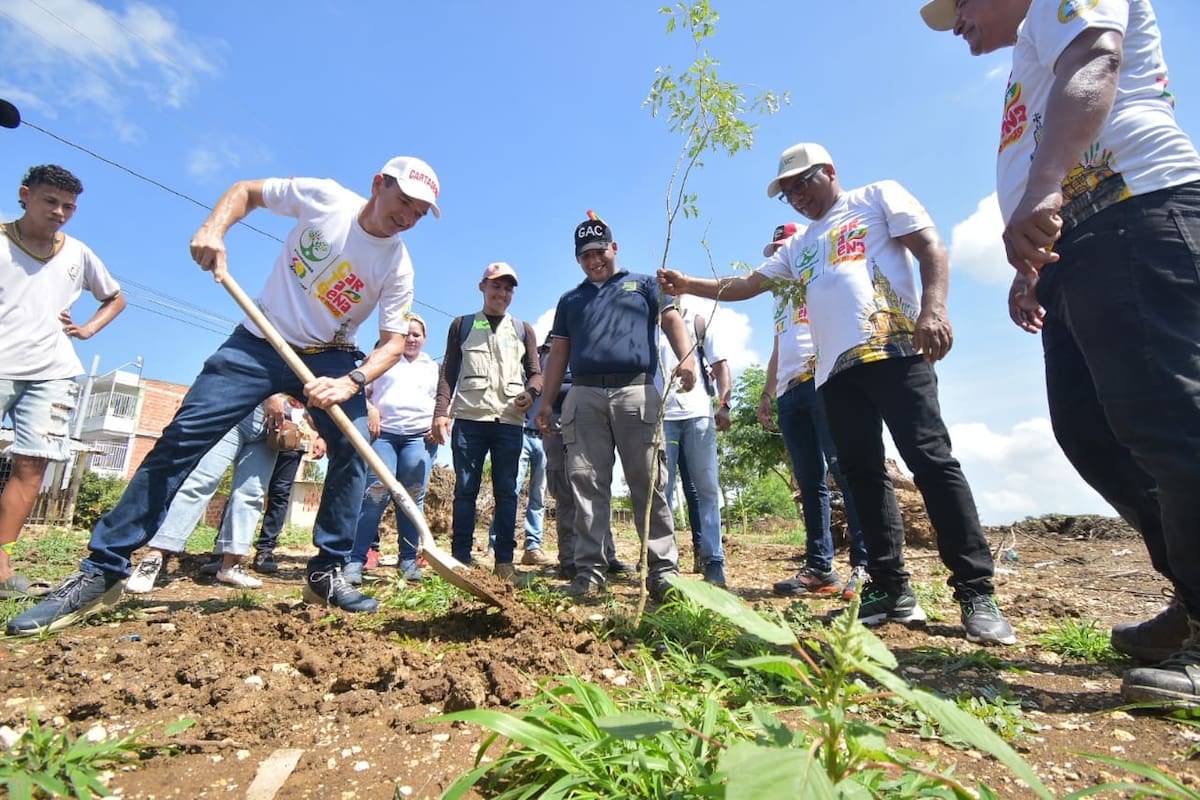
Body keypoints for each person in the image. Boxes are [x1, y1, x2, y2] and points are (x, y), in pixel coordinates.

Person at [7, 155, 441, 635]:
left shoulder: (398, 264)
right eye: (404, 202)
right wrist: (215, 228)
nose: (409, 217)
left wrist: (351, 382)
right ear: (378, 184)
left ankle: (326, 573)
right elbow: (247, 191)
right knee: (182, 438)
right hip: (257, 340)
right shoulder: (325, 198)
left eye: (421, 213)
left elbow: (394, 341)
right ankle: (103, 569)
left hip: (332, 355)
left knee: (354, 445)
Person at [920, 0, 1200, 697]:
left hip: (1131, 208)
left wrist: (1044, 187)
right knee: (1092, 434)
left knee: (1172, 426)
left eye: (957, 6)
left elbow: (1096, 61)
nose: (955, 23)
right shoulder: (1026, 53)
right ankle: (1193, 601)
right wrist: (1029, 269)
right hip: (1078, 243)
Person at [658, 143, 1016, 645]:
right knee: (862, 477)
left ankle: (976, 593)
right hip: (832, 373)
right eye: (787, 193)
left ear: (829, 172)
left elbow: (931, 246)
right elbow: (746, 284)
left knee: (932, 462)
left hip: (894, 350)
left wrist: (934, 309)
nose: (797, 196)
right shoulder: (799, 245)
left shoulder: (876, 197)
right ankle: (890, 588)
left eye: (802, 183)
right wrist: (690, 283)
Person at [535, 212, 697, 601]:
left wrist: (687, 358)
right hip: (585, 396)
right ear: (578, 259)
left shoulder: (643, 285)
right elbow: (559, 353)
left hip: (636, 392)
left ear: (614, 248)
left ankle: (662, 571)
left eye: (599, 251)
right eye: (585, 255)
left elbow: (671, 320)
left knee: (649, 481)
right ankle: (590, 571)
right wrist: (545, 403)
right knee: (587, 484)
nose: (594, 260)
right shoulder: (570, 300)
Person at [0, 164, 126, 598]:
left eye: (68, 206)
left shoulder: (78, 253)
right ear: (25, 195)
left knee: (34, 462)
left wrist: (88, 329)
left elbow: (115, 296)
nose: (59, 212)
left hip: (53, 370)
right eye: (50, 201)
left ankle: (0, 561)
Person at [758, 223, 869, 601]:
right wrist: (767, 392)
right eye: (773, 251)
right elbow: (778, 347)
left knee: (845, 472)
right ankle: (820, 567)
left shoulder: (818, 278)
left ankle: (865, 566)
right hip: (790, 392)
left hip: (821, 381)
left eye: (782, 249)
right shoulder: (779, 299)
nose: (777, 257)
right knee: (810, 484)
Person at [432, 263, 543, 585]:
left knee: (507, 493)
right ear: (482, 287)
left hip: (509, 422)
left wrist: (531, 392)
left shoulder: (523, 330)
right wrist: (441, 412)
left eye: (508, 288)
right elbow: (448, 372)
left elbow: (536, 372)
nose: (502, 293)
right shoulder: (463, 325)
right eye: (496, 286)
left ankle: (504, 562)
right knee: (465, 490)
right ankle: (461, 557)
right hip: (469, 419)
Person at [125, 397, 287, 593]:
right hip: (238, 414)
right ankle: (153, 559)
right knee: (200, 483)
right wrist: (271, 397)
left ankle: (229, 566)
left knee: (251, 495)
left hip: (273, 427)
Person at [345, 313, 438, 585]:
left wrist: (439, 421)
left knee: (411, 497)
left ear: (424, 338)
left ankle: (408, 559)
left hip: (419, 438)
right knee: (375, 494)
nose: (411, 338)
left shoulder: (431, 367)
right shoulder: (382, 358)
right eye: (406, 333)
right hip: (383, 436)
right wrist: (370, 408)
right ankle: (355, 559)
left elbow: (442, 401)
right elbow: (359, 390)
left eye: (416, 334)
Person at [537, 335, 628, 580]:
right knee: (563, 489)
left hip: (591, 419)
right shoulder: (542, 352)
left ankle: (606, 555)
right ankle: (569, 559)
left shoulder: (590, 344)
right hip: (555, 420)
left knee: (595, 486)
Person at [659, 299, 732, 587]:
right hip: (661, 416)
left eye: (673, 288)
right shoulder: (650, 325)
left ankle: (713, 559)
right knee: (660, 490)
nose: (668, 294)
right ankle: (664, 561)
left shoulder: (698, 322)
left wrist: (724, 403)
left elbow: (720, 364)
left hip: (698, 415)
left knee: (706, 489)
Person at [251, 397, 325, 574]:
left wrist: (321, 436)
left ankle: (265, 550)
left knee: (280, 493)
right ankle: (224, 549)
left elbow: (319, 409)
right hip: (265, 430)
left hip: (295, 439)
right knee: (249, 489)